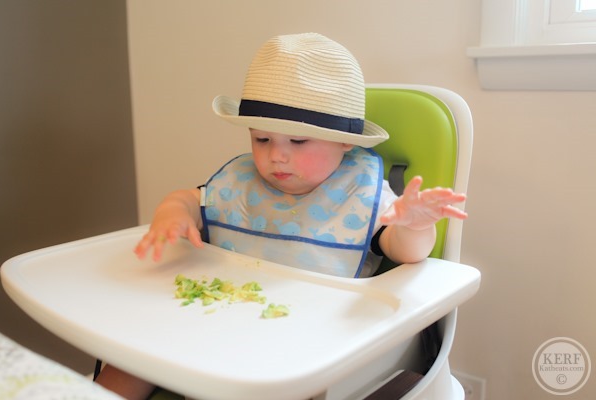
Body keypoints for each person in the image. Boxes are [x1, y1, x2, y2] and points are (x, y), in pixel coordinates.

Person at [96, 32, 467, 399]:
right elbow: (189, 199)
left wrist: (415, 225)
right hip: (217, 319)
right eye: (262, 139)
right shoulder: (240, 182)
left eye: (298, 141)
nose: (276, 156)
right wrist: (174, 212)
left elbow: (407, 252)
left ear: (346, 142)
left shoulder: (360, 195)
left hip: (307, 341)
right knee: (130, 355)